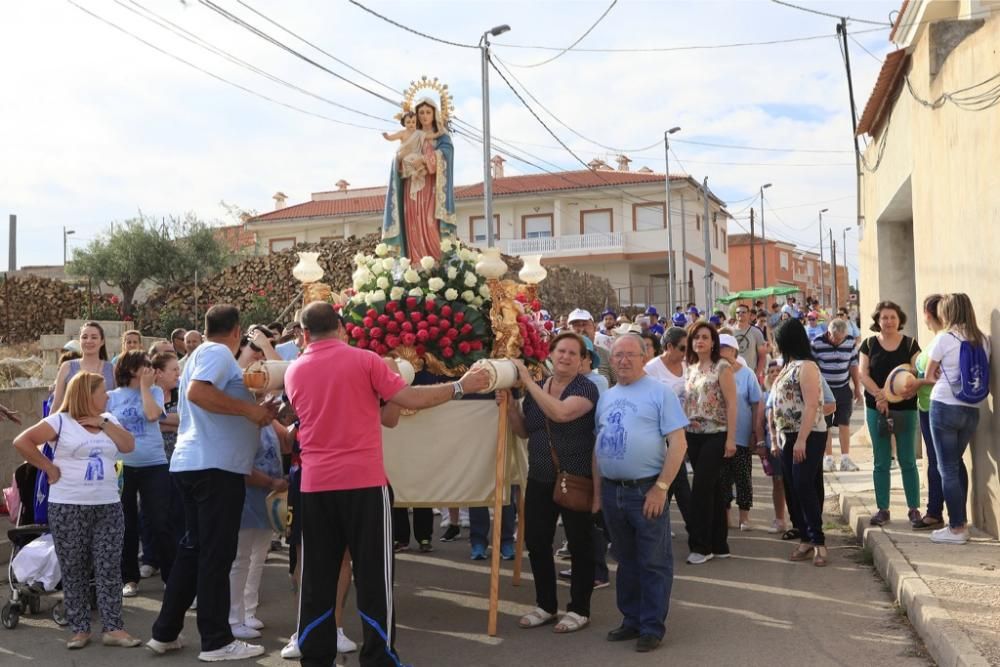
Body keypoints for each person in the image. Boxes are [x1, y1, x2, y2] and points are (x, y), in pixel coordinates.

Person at [283, 302, 489, 667]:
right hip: (363, 484)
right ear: (343, 329)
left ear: (303, 335)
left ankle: (315, 658)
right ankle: (379, 659)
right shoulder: (365, 361)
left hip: (315, 487)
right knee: (374, 577)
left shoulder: (294, 371)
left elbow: (360, 412)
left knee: (317, 577)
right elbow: (406, 401)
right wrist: (459, 386)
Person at [148, 305, 276, 661]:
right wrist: (251, 411)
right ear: (236, 332)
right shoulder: (218, 353)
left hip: (196, 465)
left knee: (194, 550)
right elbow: (199, 394)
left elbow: (207, 399)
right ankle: (217, 640)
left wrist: (258, 412)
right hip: (214, 469)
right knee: (216, 555)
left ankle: (165, 632)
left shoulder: (199, 355)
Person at [12, 372, 141, 650]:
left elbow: (128, 446)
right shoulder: (59, 421)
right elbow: (22, 442)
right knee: (74, 569)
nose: (107, 396)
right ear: (86, 394)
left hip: (107, 505)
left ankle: (114, 628)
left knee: (108, 568)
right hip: (68, 506)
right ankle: (80, 629)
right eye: (102, 391)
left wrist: (104, 423)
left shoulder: (110, 420)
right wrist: (48, 467)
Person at [595, 335, 689, 653]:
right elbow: (599, 445)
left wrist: (661, 488)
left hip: (645, 491)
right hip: (612, 492)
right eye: (617, 355)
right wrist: (598, 493)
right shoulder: (607, 397)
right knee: (626, 560)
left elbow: (679, 444)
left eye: (629, 355)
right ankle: (631, 619)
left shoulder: (660, 393)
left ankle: (651, 626)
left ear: (644, 355)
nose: (622, 360)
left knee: (653, 561)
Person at [503, 332, 598, 634]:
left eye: (573, 353)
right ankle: (546, 605)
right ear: (551, 354)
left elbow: (561, 413)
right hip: (540, 477)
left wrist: (527, 381)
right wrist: (509, 408)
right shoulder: (539, 389)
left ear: (583, 360)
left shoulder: (586, 388)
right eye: (561, 351)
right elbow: (523, 432)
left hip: (576, 477)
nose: (566, 357)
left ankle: (580, 609)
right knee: (537, 542)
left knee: (579, 545)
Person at [922, 293, 991, 545]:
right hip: (971, 409)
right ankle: (960, 522)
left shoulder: (944, 338)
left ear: (948, 312)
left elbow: (929, 376)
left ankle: (957, 528)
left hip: (944, 407)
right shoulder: (982, 340)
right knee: (955, 463)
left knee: (946, 469)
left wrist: (939, 370)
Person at [107, 351, 175, 599]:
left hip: (155, 464)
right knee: (126, 523)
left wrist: (146, 387)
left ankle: (170, 575)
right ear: (130, 368)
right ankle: (129, 577)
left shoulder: (154, 391)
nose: (149, 368)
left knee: (161, 521)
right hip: (123, 465)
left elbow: (152, 415)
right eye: (144, 364)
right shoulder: (111, 397)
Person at [770, 319, 830, 566]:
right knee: (794, 487)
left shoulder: (806, 367)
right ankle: (805, 537)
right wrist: (776, 437)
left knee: (804, 484)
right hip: (787, 436)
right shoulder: (785, 367)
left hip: (808, 434)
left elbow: (812, 404)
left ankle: (818, 541)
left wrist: (802, 440)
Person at [858, 301, 922, 528]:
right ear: (877, 320)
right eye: (884, 317)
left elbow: (918, 370)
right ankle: (883, 509)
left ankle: (914, 509)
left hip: (906, 408)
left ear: (900, 319)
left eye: (892, 317)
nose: (888, 321)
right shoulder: (868, 344)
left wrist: (910, 386)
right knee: (881, 461)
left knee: (907, 459)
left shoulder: (910, 344)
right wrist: (880, 395)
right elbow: (862, 373)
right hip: (877, 408)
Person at [228, 414, 289, 640]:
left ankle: (249, 610)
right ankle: (233, 618)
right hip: (246, 499)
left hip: (267, 500)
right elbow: (240, 465)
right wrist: (271, 482)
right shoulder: (242, 419)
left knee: (258, 557)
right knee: (240, 558)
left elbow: (286, 440)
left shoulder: (268, 420)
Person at [683, 322, 738, 564]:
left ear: (714, 341)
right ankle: (719, 543)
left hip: (716, 433)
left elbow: (732, 404)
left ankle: (700, 546)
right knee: (713, 489)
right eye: (696, 337)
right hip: (692, 434)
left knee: (701, 490)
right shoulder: (691, 368)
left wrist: (731, 439)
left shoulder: (722, 366)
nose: (700, 341)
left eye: (705, 337)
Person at [381, 99, 456, 261]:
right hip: (411, 185)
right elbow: (399, 157)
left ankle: (435, 263)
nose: (424, 116)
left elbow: (446, 154)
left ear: (434, 113)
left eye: (428, 112)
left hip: (432, 188)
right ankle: (415, 263)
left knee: (430, 222)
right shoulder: (412, 135)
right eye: (421, 112)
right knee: (412, 220)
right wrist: (400, 160)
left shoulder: (441, 136)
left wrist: (424, 159)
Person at [718, 334, 762, 532]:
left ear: (734, 350)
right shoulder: (713, 372)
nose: (722, 351)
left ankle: (744, 517)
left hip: (742, 435)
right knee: (722, 477)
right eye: (719, 347)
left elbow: (756, 404)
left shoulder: (747, 374)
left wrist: (756, 431)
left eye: (726, 347)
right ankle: (725, 516)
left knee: (743, 476)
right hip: (718, 434)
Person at [912, 295, 947, 531]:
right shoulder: (937, 339)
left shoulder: (942, 340)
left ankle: (935, 512)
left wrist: (915, 383)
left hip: (935, 408)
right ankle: (939, 511)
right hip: (926, 407)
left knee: (937, 463)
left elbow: (939, 378)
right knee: (938, 462)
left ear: (927, 314)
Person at [812, 318, 862, 473]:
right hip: (824, 390)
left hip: (843, 388)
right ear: (829, 333)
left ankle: (845, 458)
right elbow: (812, 367)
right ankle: (828, 459)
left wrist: (857, 389)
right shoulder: (817, 343)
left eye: (841, 338)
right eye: (836, 338)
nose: (839, 341)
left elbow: (853, 366)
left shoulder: (849, 342)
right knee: (825, 425)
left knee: (844, 423)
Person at [52, 321, 116, 411]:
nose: (89, 341)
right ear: (80, 340)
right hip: (72, 422)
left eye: (94, 337)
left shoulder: (112, 369)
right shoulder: (67, 367)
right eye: (84, 337)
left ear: (102, 342)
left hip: (103, 422)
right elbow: (57, 403)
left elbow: (117, 403)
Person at [382, 111, 444, 200]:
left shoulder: (419, 133)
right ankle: (412, 173)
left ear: (416, 122)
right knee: (406, 160)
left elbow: (429, 136)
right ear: (404, 123)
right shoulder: (402, 133)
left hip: (416, 155)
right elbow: (393, 137)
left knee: (416, 160)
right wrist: (387, 137)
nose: (411, 124)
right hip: (404, 156)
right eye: (408, 122)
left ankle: (419, 171)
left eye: (413, 122)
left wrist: (438, 134)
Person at [760, 360, 788, 534]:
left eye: (778, 370)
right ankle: (780, 519)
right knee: (778, 481)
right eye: (772, 371)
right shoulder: (764, 397)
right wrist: (761, 443)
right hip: (773, 446)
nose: (775, 373)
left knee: (793, 483)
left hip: (791, 443)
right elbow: (759, 422)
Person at [567, 309, 614, 381]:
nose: (581, 329)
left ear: (594, 328)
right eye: (576, 325)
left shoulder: (606, 354)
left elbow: (618, 383)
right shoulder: (561, 356)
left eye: (585, 324)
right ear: (568, 330)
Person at [645, 327, 687, 398]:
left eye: (688, 348)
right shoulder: (650, 369)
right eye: (682, 348)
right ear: (669, 346)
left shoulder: (686, 364)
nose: (686, 352)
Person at [732, 305, 767, 383]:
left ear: (749, 314)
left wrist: (756, 375)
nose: (740, 314)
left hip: (750, 376)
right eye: (738, 312)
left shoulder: (756, 332)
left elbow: (762, 357)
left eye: (743, 312)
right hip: (732, 376)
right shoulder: (729, 332)